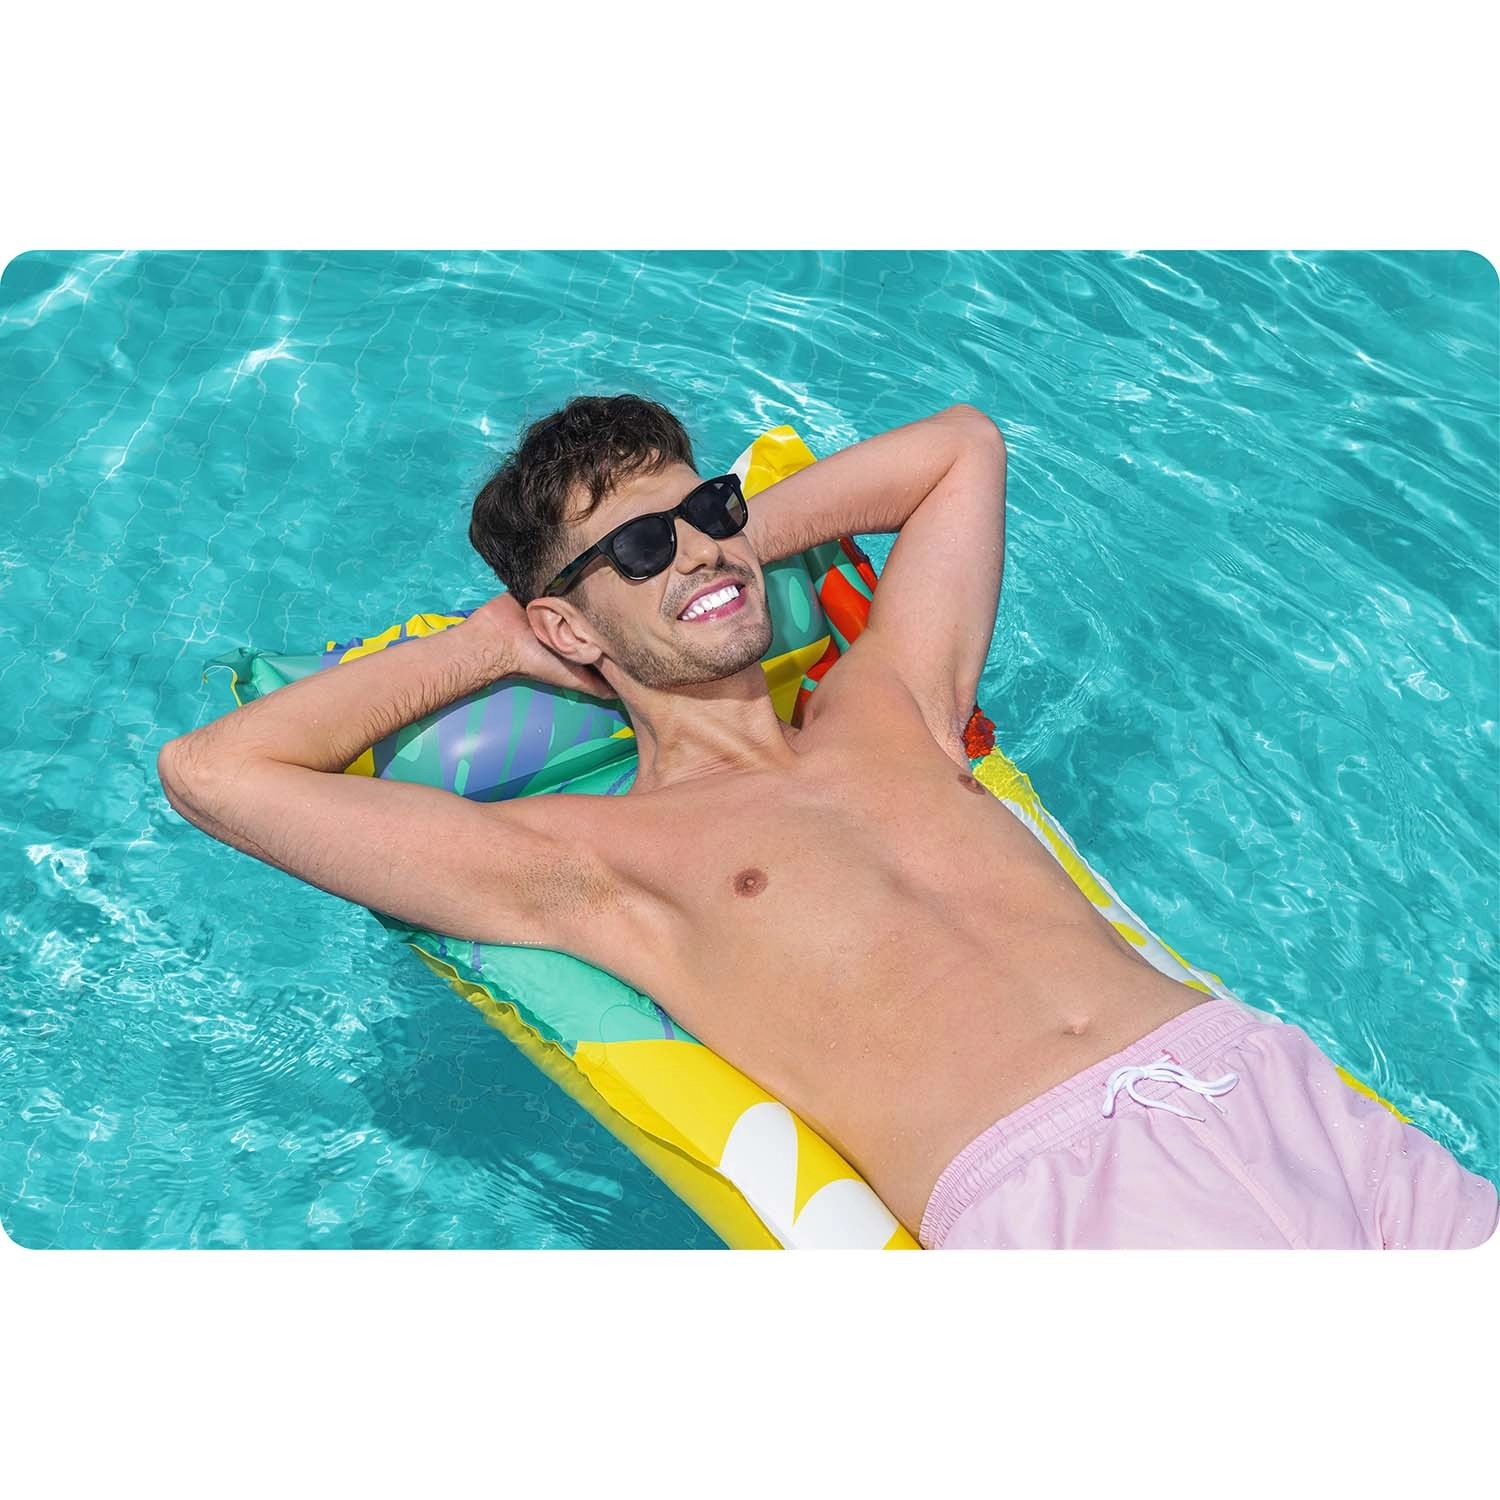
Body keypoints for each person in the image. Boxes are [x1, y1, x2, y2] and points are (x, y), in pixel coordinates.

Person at [158, 394, 1499, 1250]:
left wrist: (721, 545)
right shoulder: (592, 865)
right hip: (1068, 1199)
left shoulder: (887, 704)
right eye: (641, 547)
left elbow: (960, 449)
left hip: (1276, 1091)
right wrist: (496, 645)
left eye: (706, 511)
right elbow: (216, 773)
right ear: (567, 623)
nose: (698, 548)